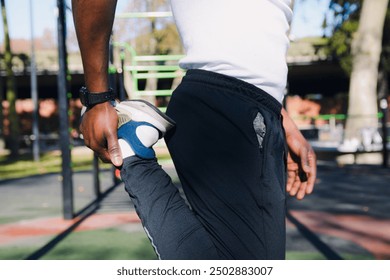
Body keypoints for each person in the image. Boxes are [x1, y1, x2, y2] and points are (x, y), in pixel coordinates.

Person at [72, 0, 317, 259]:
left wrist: (280, 119)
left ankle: (133, 150)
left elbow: (262, 25)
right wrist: (97, 98)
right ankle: (133, 155)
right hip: (230, 102)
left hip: (246, 103)